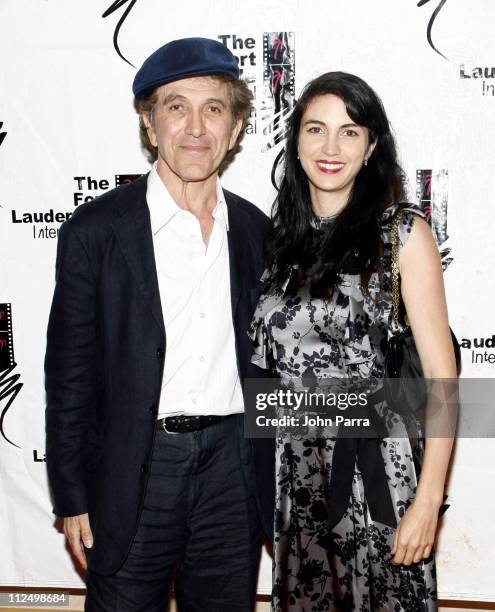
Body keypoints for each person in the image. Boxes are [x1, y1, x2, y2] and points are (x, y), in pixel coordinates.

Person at [45, 37, 274, 612]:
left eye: (214, 108)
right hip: (135, 462)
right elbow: (69, 375)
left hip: (233, 467)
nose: (195, 127)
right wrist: (71, 495)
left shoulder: (256, 231)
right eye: (176, 107)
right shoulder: (95, 232)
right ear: (150, 125)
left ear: (236, 126)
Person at [248, 72, 457, 610]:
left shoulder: (403, 233)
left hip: (376, 474)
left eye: (350, 131)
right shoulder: (278, 243)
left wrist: (429, 500)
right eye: (316, 129)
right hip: (295, 474)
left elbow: (443, 378)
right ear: (295, 143)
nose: (331, 147)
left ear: (371, 148)